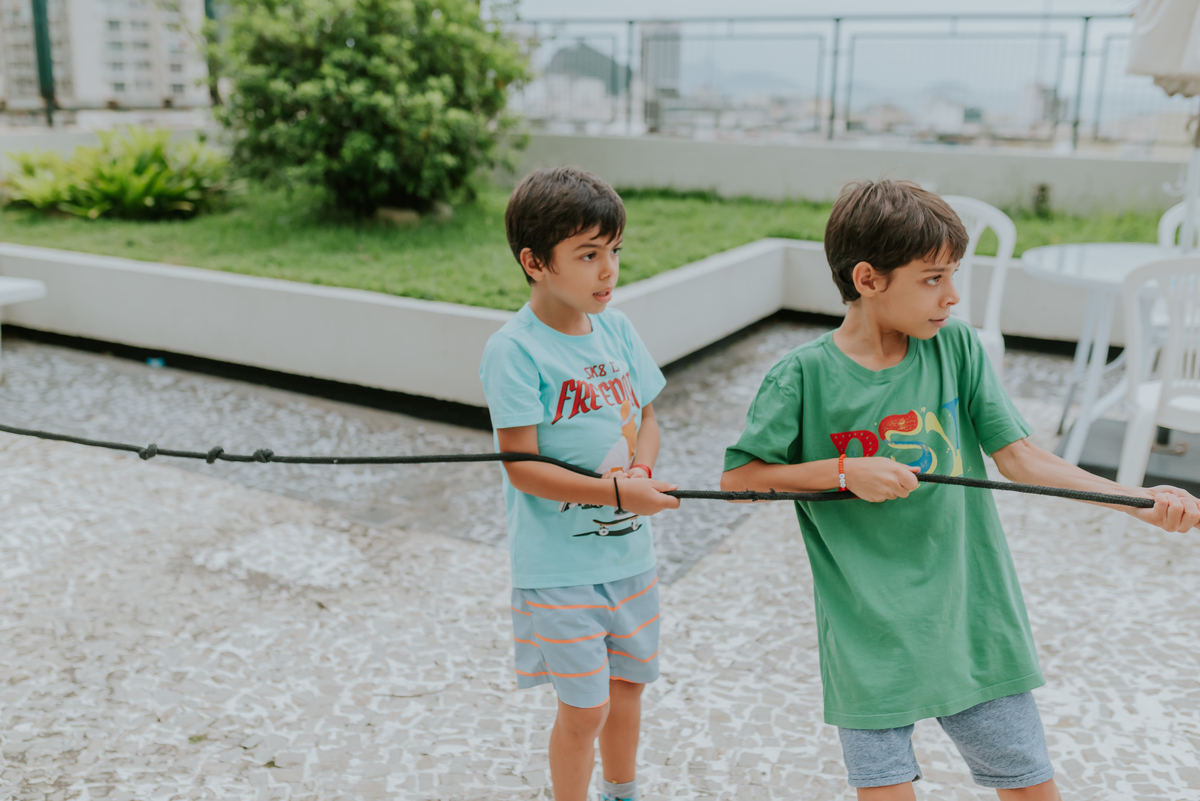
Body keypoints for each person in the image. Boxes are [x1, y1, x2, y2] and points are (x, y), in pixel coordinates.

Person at [720, 179, 1200, 801]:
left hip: (973, 619)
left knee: (1030, 790)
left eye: (954, 275)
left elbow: (1022, 458)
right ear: (868, 279)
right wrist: (842, 472)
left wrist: (1135, 500)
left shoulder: (957, 349)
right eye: (931, 278)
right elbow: (739, 481)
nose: (952, 296)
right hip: (869, 636)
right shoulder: (800, 377)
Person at [479, 167, 680, 801]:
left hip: (630, 557)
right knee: (585, 707)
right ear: (535, 262)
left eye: (614, 252)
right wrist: (619, 494)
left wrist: (641, 470)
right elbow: (521, 466)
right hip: (559, 569)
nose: (608, 271)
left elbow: (645, 417)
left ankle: (623, 793)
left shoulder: (617, 329)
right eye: (588, 255)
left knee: (627, 693)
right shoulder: (514, 351)